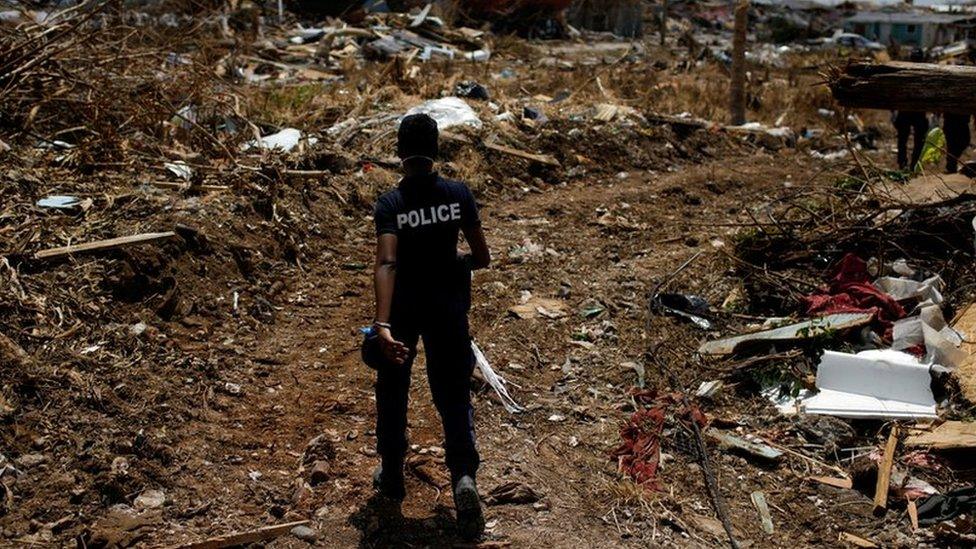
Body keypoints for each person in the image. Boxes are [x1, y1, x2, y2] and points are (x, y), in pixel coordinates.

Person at [370, 113, 491, 541]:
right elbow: (482, 257)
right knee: (453, 394)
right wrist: (457, 263)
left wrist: (381, 324)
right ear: (436, 150)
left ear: (400, 153)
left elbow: (387, 262)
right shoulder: (458, 195)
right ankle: (463, 480)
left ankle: (392, 475)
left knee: (393, 389)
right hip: (448, 310)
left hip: (404, 311)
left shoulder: (391, 204)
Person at [893, 49, 928, 171]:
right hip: (915, 112)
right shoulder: (926, 73)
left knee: (904, 140)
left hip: (908, 111)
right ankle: (911, 164)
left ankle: (906, 164)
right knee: (915, 140)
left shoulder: (904, 71)